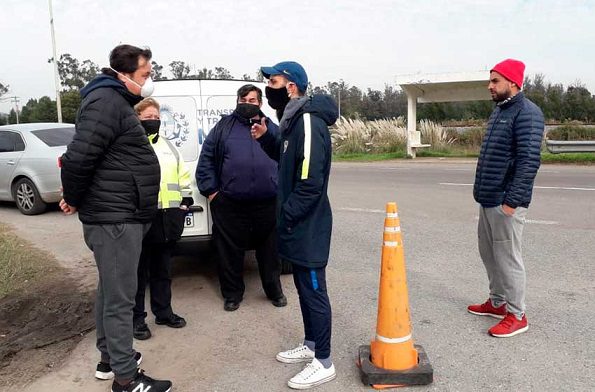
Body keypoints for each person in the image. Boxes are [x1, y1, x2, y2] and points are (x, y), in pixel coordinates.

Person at [60, 44, 172, 392]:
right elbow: (79, 157)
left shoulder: (114, 102)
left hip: (118, 214)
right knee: (121, 297)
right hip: (114, 218)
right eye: (145, 74)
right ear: (124, 74)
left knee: (110, 291)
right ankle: (127, 379)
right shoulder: (107, 102)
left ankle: (111, 358)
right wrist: (73, 197)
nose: (149, 80)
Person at [251, 61, 338, 389]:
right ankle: (312, 344)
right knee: (303, 288)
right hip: (297, 224)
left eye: (272, 81)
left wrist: (286, 217)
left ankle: (324, 360)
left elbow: (310, 182)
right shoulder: (291, 125)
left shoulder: (309, 122)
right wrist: (265, 139)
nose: (267, 88)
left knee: (314, 291)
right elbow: (291, 161)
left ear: (291, 87)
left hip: (308, 225)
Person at [468, 59, 545, 338]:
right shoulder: (500, 111)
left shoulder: (527, 113)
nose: (490, 86)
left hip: (506, 203)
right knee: (489, 254)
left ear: (512, 82)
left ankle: (517, 314)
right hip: (488, 199)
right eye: (490, 80)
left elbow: (528, 162)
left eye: (495, 81)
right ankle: (497, 303)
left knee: (508, 258)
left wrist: (511, 202)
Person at [196, 84, 286, 311]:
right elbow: (206, 160)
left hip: (267, 203)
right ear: (237, 101)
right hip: (230, 204)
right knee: (229, 252)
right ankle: (232, 295)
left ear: (260, 103)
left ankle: (274, 291)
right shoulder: (223, 128)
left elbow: (285, 157)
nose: (247, 104)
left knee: (270, 252)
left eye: (252, 100)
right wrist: (213, 192)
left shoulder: (271, 127)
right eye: (243, 100)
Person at [132, 98, 193, 340]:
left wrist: (185, 202)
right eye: (148, 118)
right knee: (138, 275)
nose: (154, 121)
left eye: (156, 118)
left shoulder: (169, 147)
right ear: (137, 119)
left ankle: (163, 312)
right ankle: (137, 320)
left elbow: (182, 176)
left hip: (168, 219)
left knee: (163, 271)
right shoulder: (131, 148)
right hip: (141, 220)